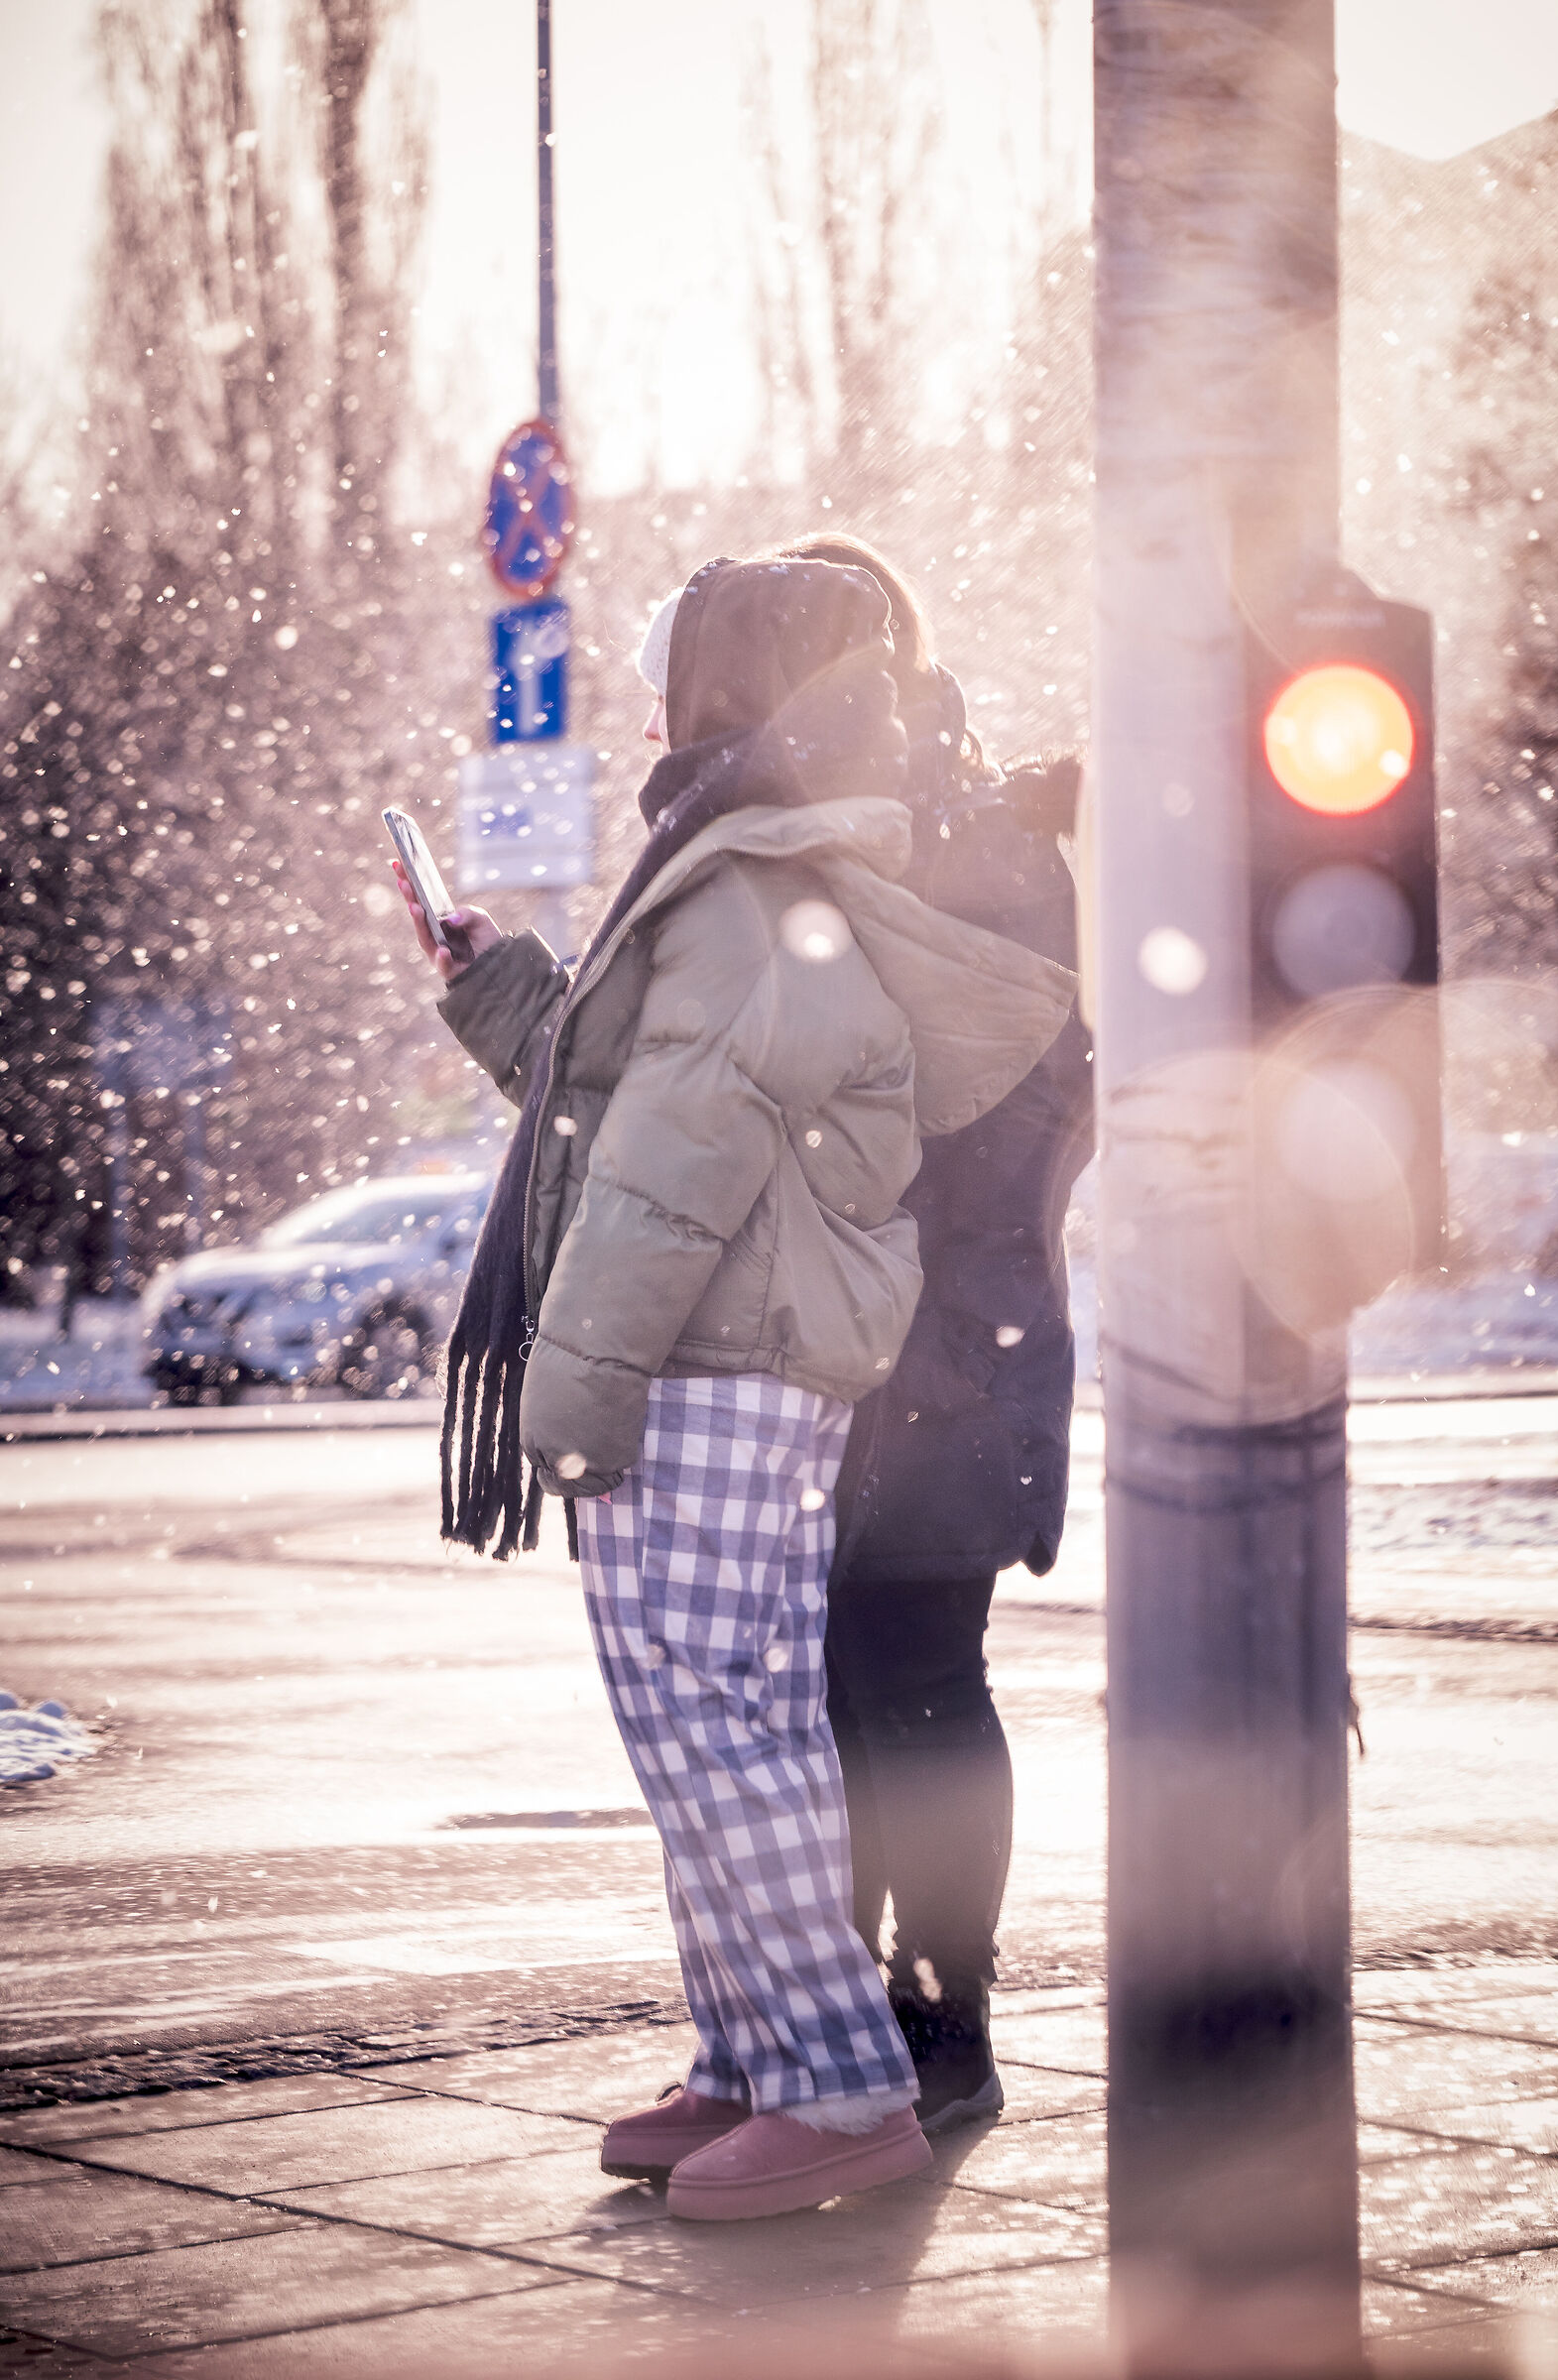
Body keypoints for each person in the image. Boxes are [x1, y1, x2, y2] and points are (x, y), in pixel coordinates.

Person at [396, 555, 1075, 2221]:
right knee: (742, 1726)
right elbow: (645, 1095)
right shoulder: (753, 861)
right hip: (782, 1348)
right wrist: (500, 987)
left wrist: (578, 1394)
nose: (645, 717)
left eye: (668, 682)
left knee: (748, 1728)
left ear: (726, 692)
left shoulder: (768, 872)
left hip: (770, 1355)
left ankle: (851, 2074)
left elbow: (670, 1166)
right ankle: (764, 2058)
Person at [772, 535, 1094, 2138]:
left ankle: (944, 2020)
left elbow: (1004, 1118)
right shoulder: (857, 836)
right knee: (834, 1691)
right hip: (871, 1346)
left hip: (951, 1345)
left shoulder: (970, 846)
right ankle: (855, 2022)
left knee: (909, 1680)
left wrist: (890, 1275)